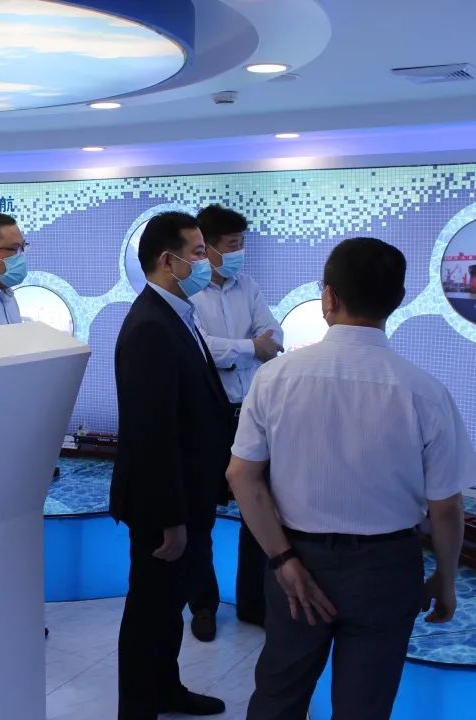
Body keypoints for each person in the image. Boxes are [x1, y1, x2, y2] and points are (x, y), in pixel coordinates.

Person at [226, 237, 476, 720]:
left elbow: (242, 475)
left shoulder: (275, 378)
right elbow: (446, 508)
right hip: (387, 568)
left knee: (279, 696)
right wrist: (445, 579)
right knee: (365, 707)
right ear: (397, 299)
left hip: (297, 557)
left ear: (329, 297)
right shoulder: (425, 392)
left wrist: (283, 561)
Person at [111, 211, 232, 719]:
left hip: (188, 493)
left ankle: (165, 687)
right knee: (150, 610)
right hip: (163, 505)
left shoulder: (177, 314)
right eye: (199, 253)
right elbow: (152, 433)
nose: (208, 263)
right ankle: (138, 707)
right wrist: (171, 518)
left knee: (167, 607)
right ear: (168, 260)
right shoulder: (149, 327)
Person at [188, 204, 283, 641]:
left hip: (250, 412)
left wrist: (243, 348)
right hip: (207, 415)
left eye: (242, 243)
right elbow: (203, 350)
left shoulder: (249, 285)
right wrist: (249, 347)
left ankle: (253, 603)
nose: (239, 252)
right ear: (207, 248)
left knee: (256, 508)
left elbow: (274, 336)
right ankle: (203, 606)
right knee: (201, 515)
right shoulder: (189, 292)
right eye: (232, 244)